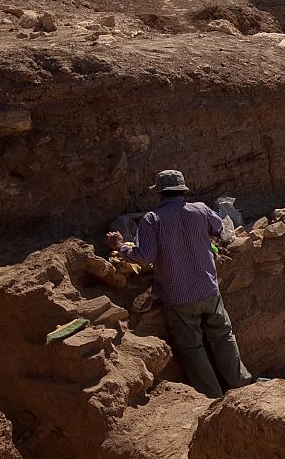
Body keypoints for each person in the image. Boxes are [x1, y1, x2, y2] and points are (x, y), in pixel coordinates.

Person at [105, 170, 253, 399]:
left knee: (192, 348)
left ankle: (212, 396)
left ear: (160, 193)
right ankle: (241, 385)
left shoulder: (152, 220)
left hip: (178, 297)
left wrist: (120, 246)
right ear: (183, 191)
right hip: (209, 289)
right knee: (223, 336)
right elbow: (223, 232)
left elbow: (145, 256)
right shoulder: (201, 209)